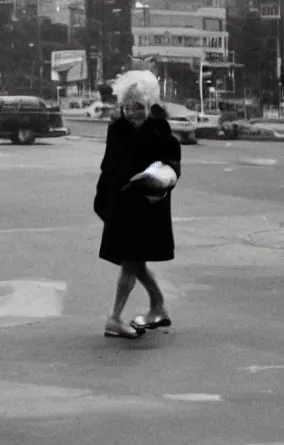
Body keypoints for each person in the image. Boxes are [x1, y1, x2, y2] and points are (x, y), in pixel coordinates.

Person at [93, 71, 181, 340]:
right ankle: (155, 307)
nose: (133, 113)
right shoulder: (117, 129)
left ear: (149, 105)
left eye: (139, 107)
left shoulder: (160, 130)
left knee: (132, 261)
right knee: (134, 260)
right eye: (128, 107)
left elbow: (172, 165)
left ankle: (117, 318)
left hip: (146, 207)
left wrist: (159, 179)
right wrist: (112, 192)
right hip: (122, 205)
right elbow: (108, 166)